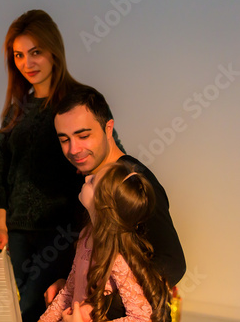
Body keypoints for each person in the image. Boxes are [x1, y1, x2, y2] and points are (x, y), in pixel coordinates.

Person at [0, 9, 124, 322]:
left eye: (35, 53)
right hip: (15, 231)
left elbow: (111, 159)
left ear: (53, 52)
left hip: (62, 232)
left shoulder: (81, 100)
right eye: (18, 55)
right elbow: (2, 170)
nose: (26, 63)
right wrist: (0, 223)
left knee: (37, 307)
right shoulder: (17, 109)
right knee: (8, 307)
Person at [44, 85, 186, 319]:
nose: (74, 149)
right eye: (64, 139)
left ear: (108, 128)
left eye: (83, 135)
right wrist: (71, 284)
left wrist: (101, 306)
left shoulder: (134, 181)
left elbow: (173, 264)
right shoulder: (86, 179)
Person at [40, 160, 172, 322]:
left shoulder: (117, 257)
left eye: (94, 181)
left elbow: (142, 317)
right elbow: (70, 289)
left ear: (104, 204)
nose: (87, 178)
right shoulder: (86, 235)